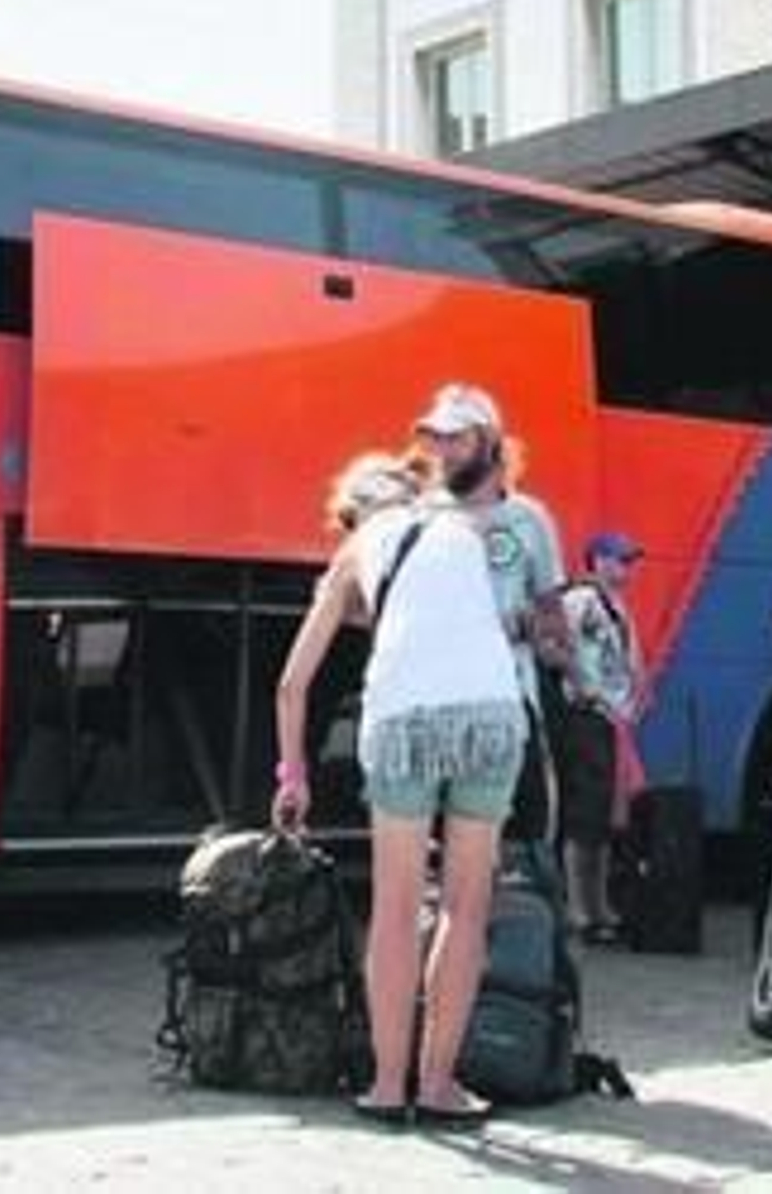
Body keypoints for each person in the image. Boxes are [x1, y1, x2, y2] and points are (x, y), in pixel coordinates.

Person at [271, 445, 525, 1127]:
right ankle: (439, 1085)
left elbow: (293, 684)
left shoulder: (356, 547)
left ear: (351, 514)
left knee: (395, 906)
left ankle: (387, 1086)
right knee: (465, 907)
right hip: (491, 713)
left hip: (403, 718)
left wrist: (293, 776)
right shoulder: (462, 526)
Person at [410, 383, 569, 843]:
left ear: (489, 442)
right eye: (438, 439)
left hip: (508, 704)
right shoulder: (418, 517)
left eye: (456, 438)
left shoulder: (529, 519)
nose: (444, 452)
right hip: (433, 708)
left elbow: (553, 617)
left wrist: (530, 629)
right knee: (441, 848)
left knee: (521, 842)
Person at [556, 530, 646, 941]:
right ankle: (579, 906)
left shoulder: (618, 607)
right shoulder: (580, 601)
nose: (626, 569)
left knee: (608, 815)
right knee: (585, 813)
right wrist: (583, 686)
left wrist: (636, 693)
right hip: (588, 713)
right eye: (619, 560)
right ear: (598, 561)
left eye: (628, 561)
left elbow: (629, 659)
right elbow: (561, 644)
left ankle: (600, 904)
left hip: (614, 716)